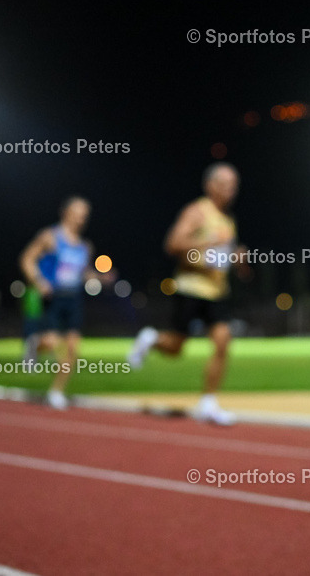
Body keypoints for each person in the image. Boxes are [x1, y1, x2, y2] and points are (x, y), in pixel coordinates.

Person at [127, 163, 249, 426]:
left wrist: (237, 259)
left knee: (223, 341)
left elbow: (222, 257)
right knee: (175, 347)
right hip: (191, 288)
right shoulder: (197, 211)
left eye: (235, 184)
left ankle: (208, 402)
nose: (232, 190)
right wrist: (207, 243)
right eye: (226, 184)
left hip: (217, 291)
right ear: (211, 186)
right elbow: (172, 243)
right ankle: (150, 339)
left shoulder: (229, 220)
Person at [19, 196, 106, 410]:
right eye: (78, 212)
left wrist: (96, 277)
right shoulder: (50, 236)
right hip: (52, 297)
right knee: (50, 342)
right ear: (66, 212)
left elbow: (81, 272)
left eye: (85, 214)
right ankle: (34, 345)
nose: (82, 218)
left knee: (73, 348)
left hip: (73, 298)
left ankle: (56, 392)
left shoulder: (85, 246)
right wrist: (38, 281)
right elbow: (27, 259)